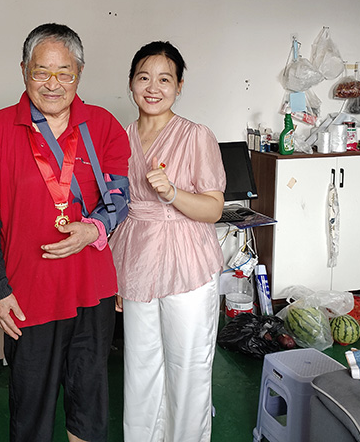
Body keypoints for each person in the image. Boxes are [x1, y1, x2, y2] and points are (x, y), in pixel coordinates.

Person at [0, 23, 131, 442]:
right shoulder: (0, 128)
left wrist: (93, 230)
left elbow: (120, 197)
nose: (53, 84)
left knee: (89, 402)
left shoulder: (103, 125)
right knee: (30, 410)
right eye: (41, 72)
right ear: (24, 70)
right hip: (28, 295)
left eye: (64, 72)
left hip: (91, 290)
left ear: (80, 72)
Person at [110, 41, 226, 442]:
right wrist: (117, 274)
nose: (153, 88)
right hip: (137, 260)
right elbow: (118, 210)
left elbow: (214, 208)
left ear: (179, 86)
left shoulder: (196, 136)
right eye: (144, 78)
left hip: (187, 260)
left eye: (164, 79)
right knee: (140, 365)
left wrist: (174, 193)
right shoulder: (120, 137)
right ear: (131, 83)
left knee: (187, 366)